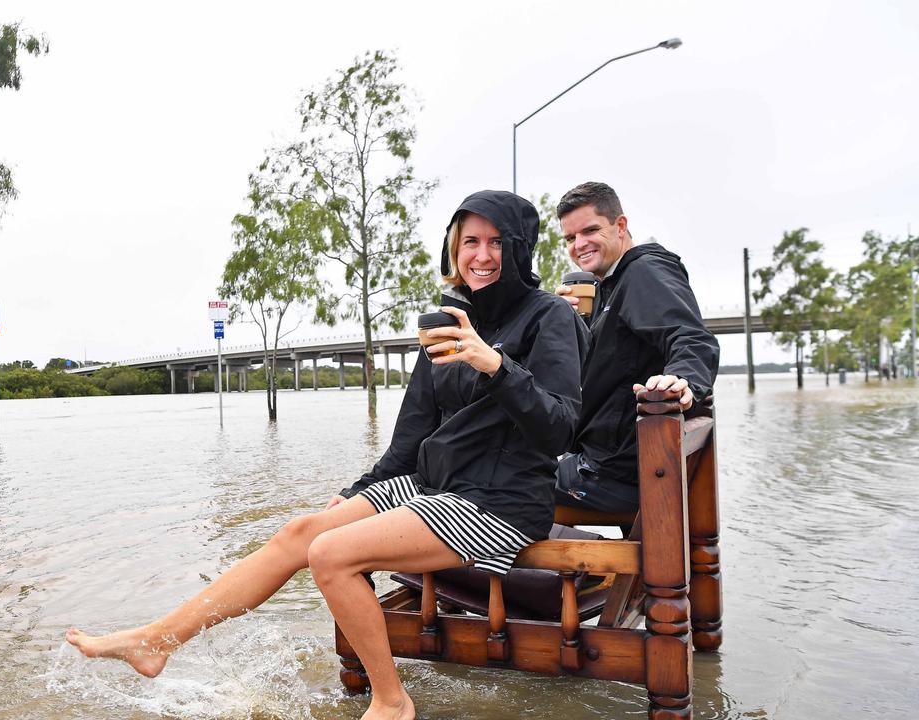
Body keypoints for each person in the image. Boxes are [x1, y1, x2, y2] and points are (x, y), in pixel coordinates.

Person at [67, 190, 586, 720]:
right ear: (454, 248)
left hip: (502, 502)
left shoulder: (549, 318)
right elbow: (410, 441)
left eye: (496, 242)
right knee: (303, 532)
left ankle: (391, 701)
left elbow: (561, 429)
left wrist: (495, 366)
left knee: (331, 554)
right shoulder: (450, 321)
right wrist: (359, 493)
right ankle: (158, 642)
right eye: (469, 241)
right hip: (436, 486)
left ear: (519, 248)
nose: (481, 254)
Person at [553, 181, 719, 513]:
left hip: (611, 472)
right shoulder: (609, 287)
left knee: (495, 482)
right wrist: (562, 323)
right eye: (570, 238)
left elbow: (690, 337)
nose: (579, 244)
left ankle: (587, 560)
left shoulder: (644, 270)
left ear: (621, 226)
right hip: (607, 460)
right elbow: (605, 366)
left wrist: (683, 378)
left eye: (590, 230)